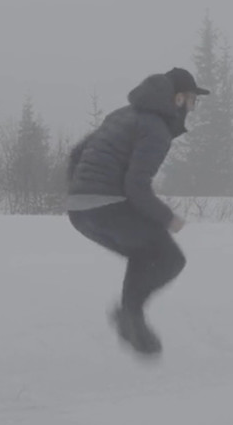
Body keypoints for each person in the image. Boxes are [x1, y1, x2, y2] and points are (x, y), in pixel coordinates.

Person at [66, 67, 209, 357]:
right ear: (178, 99)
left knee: (146, 253)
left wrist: (79, 190)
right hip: (108, 207)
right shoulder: (156, 129)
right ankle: (129, 314)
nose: (194, 107)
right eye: (193, 100)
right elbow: (136, 186)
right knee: (169, 258)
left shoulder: (121, 115)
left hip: (79, 213)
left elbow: (76, 154)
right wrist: (167, 217)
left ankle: (130, 316)